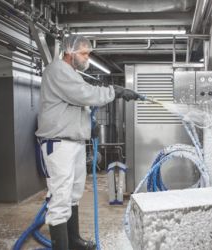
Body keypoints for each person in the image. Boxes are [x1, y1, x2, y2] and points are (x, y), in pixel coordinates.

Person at [35, 35, 140, 250]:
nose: (87, 58)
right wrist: (115, 91)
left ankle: (73, 241)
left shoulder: (72, 74)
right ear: (69, 52)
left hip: (73, 143)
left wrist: (86, 125)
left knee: (73, 195)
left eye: (88, 54)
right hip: (59, 144)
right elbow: (83, 94)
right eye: (84, 53)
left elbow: (77, 103)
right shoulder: (57, 70)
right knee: (60, 199)